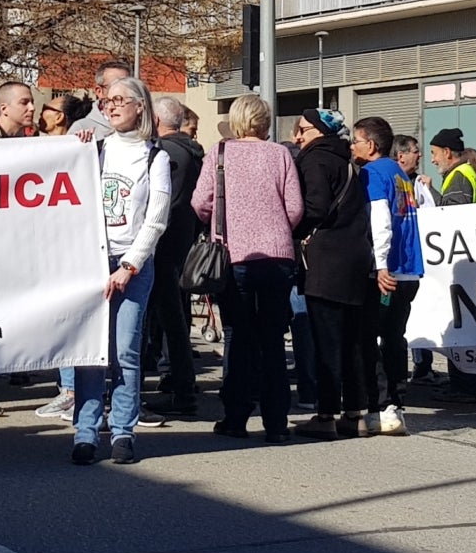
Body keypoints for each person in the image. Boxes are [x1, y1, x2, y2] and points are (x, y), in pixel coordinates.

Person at [193, 92, 305, 441]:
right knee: (273, 340)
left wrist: (217, 222)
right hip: (277, 256)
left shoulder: (220, 153)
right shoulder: (281, 154)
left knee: (238, 338)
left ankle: (236, 417)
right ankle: (276, 423)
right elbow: (296, 208)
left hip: (234, 255)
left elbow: (200, 202)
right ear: (265, 121)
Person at [74, 74, 169, 464]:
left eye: (118, 100)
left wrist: (130, 265)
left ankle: (123, 431)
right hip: (92, 262)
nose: (110, 106)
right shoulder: (94, 150)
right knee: (90, 351)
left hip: (132, 263)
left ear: (139, 106)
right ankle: (85, 431)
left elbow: (157, 217)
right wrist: (72, 152)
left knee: (126, 350)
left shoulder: (155, 156)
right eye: (106, 101)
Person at [292, 108, 376, 437]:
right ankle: (355, 414)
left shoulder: (315, 160)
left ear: (318, 131)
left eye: (303, 130)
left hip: (327, 260)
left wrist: (296, 229)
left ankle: (326, 416)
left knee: (326, 340)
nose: (298, 136)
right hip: (355, 257)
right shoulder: (345, 160)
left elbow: (315, 206)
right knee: (351, 339)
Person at [356, 116, 419, 435]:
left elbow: (380, 221)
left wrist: (380, 265)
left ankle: (380, 406)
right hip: (408, 270)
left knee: (371, 337)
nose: (352, 146)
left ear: (370, 145)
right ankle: (396, 401)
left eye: (356, 140)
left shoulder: (373, 172)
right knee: (395, 336)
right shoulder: (400, 173)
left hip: (387, 271)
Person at [146, 95, 205, 419]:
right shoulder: (192, 152)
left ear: (155, 121)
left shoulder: (167, 155)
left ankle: (181, 388)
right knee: (174, 319)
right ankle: (178, 383)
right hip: (181, 243)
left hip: (164, 246)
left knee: (169, 321)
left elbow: (162, 204)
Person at [427, 129, 476, 205]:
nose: (432, 160)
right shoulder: (466, 171)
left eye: (434, 154)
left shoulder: (459, 177)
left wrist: (430, 191)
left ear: (446, 152)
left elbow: (454, 212)